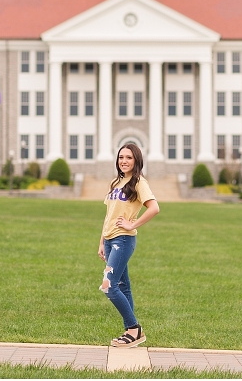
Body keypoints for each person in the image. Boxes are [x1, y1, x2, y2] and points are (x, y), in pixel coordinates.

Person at [98, 143, 160, 348]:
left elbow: (154, 208)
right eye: (121, 157)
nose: (124, 161)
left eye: (129, 158)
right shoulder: (116, 182)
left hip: (123, 239)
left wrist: (132, 224)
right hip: (109, 239)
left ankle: (135, 328)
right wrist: (101, 242)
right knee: (123, 286)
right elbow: (109, 215)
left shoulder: (139, 182)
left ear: (136, 161)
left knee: (108, 285)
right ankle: (130, 332)